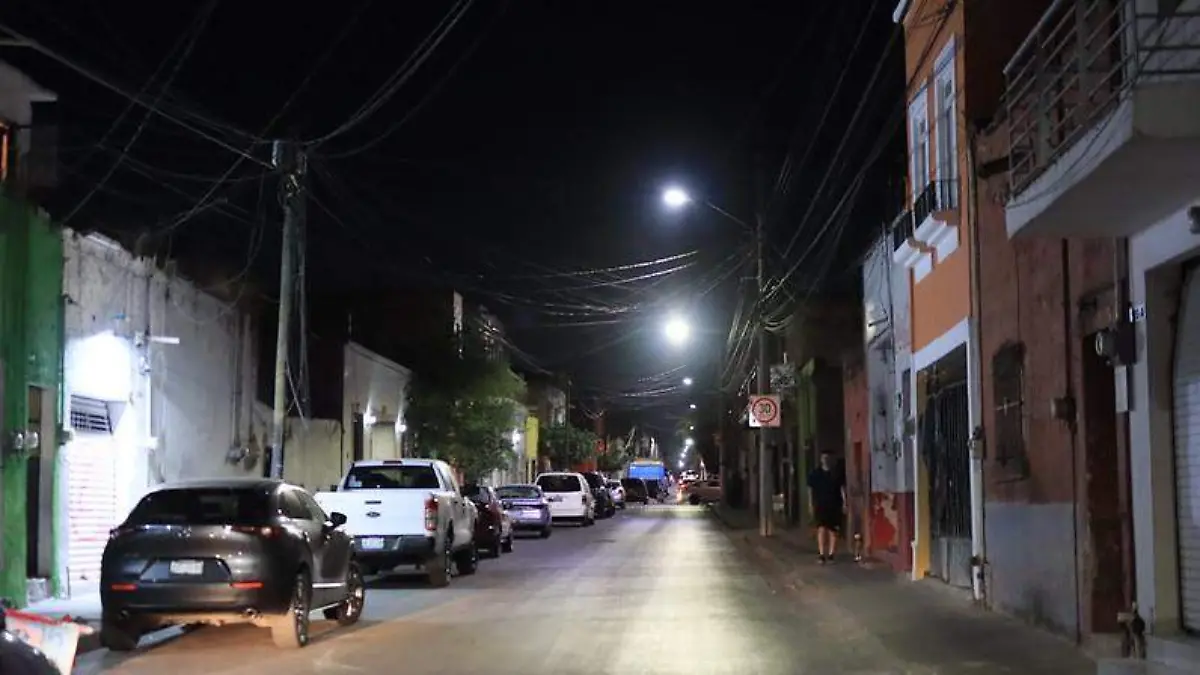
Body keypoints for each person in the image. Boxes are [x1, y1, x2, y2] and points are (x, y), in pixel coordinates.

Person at [807, 449, 846, 564]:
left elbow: (842, 489)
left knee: (833, 530)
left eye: (828, 458)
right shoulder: (815, 474)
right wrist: (810, 504)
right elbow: (810, 490)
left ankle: (831, 554)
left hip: (834, 504)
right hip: (820, 505)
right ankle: (821, 554)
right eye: (824, 458)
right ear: (821, 459)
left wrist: (845, 503)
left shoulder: (836, 474)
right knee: (821, 529)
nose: (826, 460)